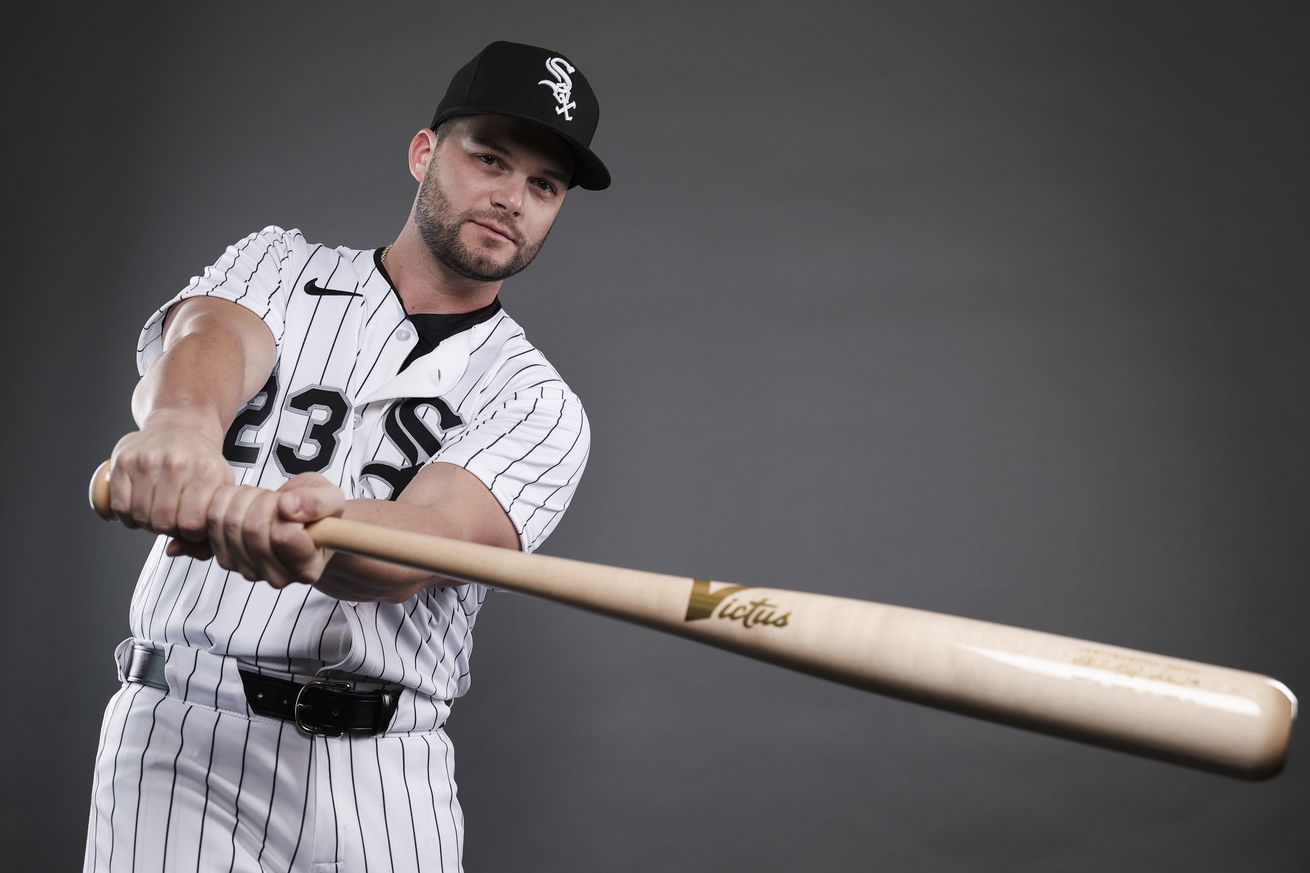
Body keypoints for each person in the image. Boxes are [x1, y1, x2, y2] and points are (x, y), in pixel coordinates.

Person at [84, 40, 608, 873]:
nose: (512, 198)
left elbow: (430, 539)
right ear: (424, 153)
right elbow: (208, 338)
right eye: (490, 159)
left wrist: (318, 534)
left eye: (543, 185)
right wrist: (181, 429)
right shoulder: (280, 264)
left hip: (385, 770)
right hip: (183, 735)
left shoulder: (539, 401)